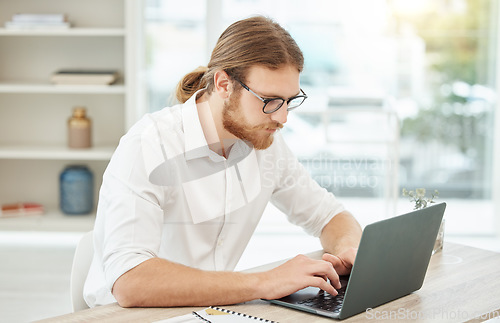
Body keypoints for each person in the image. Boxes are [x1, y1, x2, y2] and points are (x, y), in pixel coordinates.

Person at [84, 15, 362, 308]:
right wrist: (266, 282)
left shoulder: (264, 141)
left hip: (211, 311)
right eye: (270, 100)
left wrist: (348, 250)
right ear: (223, 84)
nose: (282, 118)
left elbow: (329, 216)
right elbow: (130, 281)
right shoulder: (149, 145)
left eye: (290, 100)